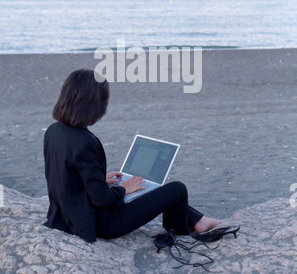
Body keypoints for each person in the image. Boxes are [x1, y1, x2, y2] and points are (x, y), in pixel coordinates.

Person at [43, 69, 221, 243]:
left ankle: (198, 221)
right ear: (95, 105)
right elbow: (102, 199)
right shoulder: (85, 142)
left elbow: (62, 175)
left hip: (63, 216)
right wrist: (123, 189)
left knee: (150, 189)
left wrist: (97, 180)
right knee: (177, 189)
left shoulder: (53, 131)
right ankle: (183, 229)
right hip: (101, 224)